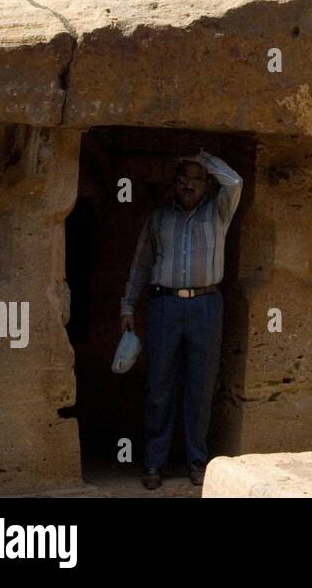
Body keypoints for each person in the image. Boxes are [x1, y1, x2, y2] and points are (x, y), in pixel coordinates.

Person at [121, 149, 242, 489]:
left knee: (200, 387)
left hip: (206, 304)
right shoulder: (158, 219)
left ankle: (197, 461)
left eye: (197, 179)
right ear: (174, 183)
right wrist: (127, 308)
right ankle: (153, 463)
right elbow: (141, 266)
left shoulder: (220, 211)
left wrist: (206, 159)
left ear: (207, 184)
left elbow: (235, 181)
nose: (189, 185)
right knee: (159, 385)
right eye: (183, 178)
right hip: (164, 305)